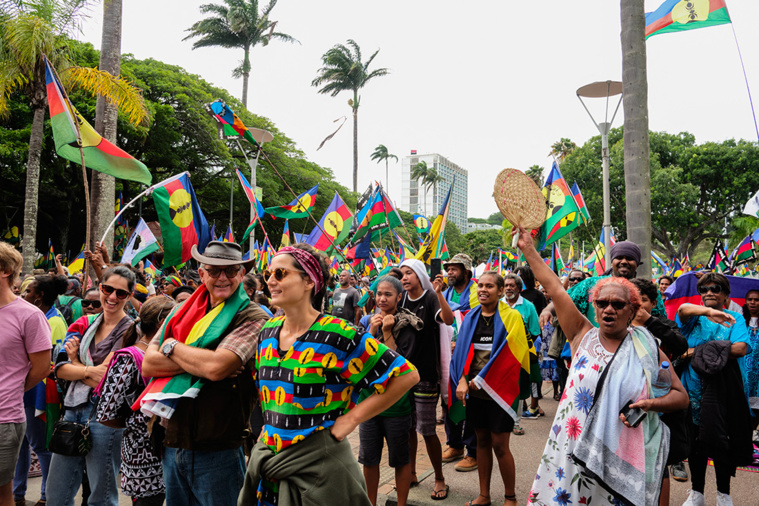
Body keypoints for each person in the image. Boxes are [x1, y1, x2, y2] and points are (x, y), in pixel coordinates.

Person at [514, 226, 688, 506]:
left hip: (620, 456)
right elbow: (555, 288)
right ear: (593, 307)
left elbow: (680, 397)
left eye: (618, 304)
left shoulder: (646, 346)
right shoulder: (581, 335)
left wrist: (650, 404)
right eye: (602, 303)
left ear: (633, 311)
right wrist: (528, 249)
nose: (609, 309)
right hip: (573, 450)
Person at [237, 244, 419, 506]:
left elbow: (406, 375)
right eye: (268, 274)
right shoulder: (267, 332)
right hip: (270, 469)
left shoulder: (338, 333)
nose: (270, 281)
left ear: (309, 281)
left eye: (280, 273)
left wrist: (351, 419)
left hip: (319, 473)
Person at [140, 241, 270, 506]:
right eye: (214, 270)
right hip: (172, 438)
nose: (222, 277)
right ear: (201, 274)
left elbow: (216, 368)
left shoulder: (253, 316)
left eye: (230, 271)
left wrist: (171, 346)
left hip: (218, 446)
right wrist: (205, 357)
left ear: (241, 274)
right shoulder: (180, 310)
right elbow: (149, 365)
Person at [47, 266, 136, 506]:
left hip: (105, 417)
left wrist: (76, 363)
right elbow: (59, 369)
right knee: (57, 494)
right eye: (108, 289)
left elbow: (106, 379)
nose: (112, 297)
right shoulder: (85, 323)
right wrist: (84, 370)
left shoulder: (129, 331)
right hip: (72, 411)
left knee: (101, 497)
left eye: (121, 293)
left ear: (129, 296)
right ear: (100, 287)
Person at [451, 272, 529, 506]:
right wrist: (462, 379)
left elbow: (512, 355)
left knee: (500, 445)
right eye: (480, 285)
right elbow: (460, 353)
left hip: (500, 392)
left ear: (500, 290)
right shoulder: (470, 317)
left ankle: (510, 497)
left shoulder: (512, 317)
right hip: (474, 392)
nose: (483, 290)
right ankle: (484, 495)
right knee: (481, 441)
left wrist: (483, 378)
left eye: (489, 286)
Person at [677, 273, 752, 506]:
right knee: (695, 444)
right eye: (704, 289)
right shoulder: (694, 319)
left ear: (726, 294)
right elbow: (682, 310)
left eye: (716, 288)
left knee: (722, 442)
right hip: (692, 389)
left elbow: (740, 348)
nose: (709, 292)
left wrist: (696, 352)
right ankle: (696, 493)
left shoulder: (735, 319)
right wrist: (708, 312)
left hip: (724, 391)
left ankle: (723, 494)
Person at [95, 297, 175, 506]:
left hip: (173, 452)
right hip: (143, 458)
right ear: (163, 322)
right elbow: (105, 413)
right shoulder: (128, 358)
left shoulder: (172, 354)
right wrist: (138, 424)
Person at [358, 276, 422, 506]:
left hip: (397, 405)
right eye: (379, 294)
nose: (382, 299)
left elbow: (398, 366)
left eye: (388, 294)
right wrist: (371, 330)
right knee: (369, 459)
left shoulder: (408, 323)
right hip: (369, 403)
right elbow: (360, 361)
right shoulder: (368, 322)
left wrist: (386, 332)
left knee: (400, 459)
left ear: (399, 297)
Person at [0, 243, 52, 506]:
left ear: (5, 271)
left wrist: (11, 389)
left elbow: (41, 368)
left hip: (4, 418)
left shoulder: (29, 316)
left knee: (2, 493)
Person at [629, 278, 689, 505]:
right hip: (631, 403)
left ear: (654, 303)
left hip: (662, 404)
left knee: (659, 462)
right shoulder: (621, 326)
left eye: (643, 300)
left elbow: (680, 346)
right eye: (633, 301)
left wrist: (650, 322)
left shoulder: (662, 324)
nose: (638, 306)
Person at [399, 258, 454, 500]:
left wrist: (439, 292)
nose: (404, 278)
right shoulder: (400, 299)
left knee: (428, 429)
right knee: (408, 427)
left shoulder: (430, 297)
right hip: (402, 375)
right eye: (402, 274)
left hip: (425, 375)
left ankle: (439, 478)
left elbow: (449, 320)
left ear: (420, 275)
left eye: (409, 273)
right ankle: (411, 472)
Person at [13, 275, 68, 506]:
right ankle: (17, 494)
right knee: (20, 446)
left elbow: (50, 363)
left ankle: (46, 496)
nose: (23, 295)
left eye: (28, 291)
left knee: (41, 446)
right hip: (25, 389)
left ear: (39, 296)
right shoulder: (39, 315)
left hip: (39, 391)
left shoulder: (53, 321)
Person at [539, 241, 667, 330]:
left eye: (629, 258)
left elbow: (662, 323)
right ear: (612, 262)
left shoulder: (648, 290)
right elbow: (564, 298)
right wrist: (547, 310)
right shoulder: (590, 284)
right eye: (619, 257)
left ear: (637, 263)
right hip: (597, 350)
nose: (624, 261)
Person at [441, 253, 479, 471]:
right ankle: (454, 444)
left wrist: (460, 342)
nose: (450, 272)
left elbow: (477, 319)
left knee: (470, 401)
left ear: (466, 272)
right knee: (449, 398)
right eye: (448, 268)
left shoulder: (476, 291)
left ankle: (472, 451)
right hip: (449, 354)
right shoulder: (445, 293)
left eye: (454, 269)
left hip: (471, 354)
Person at [502, 274, 542, 430]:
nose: (508, 288)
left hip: (521, 355)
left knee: (518, 388)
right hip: (500, 355)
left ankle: (516, 422)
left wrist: (522, 346)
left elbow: (535, 331)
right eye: (506, 285)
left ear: (519, 288)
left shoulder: (528, 306)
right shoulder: (498, 304)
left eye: (512, 285)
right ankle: (502, 421)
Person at [742, 290, 759, 426]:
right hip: (744, 371)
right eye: (750, 299)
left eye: (756, 300)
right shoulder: (740, 322)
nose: (753, 302)